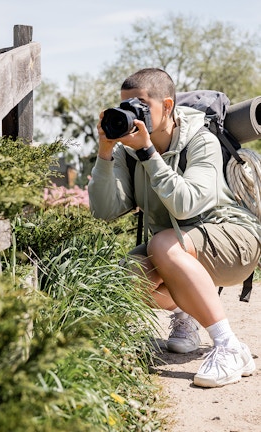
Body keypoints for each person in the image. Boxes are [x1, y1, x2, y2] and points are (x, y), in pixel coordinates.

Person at [88, 67, 261, 388]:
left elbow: (186, 204)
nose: (131, 115)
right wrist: (105, 151)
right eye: (125, 107)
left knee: (163, 245)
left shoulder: (201, 139)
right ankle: (188, 315)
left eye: (139, 106)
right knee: (128, 276)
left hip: (235, 241)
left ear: (167, 106)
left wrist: (148, 153)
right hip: (181, 246)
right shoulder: (129, 153)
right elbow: (104, 210)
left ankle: (229, 346)